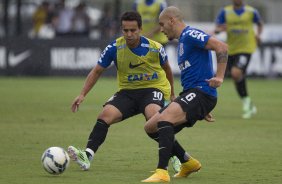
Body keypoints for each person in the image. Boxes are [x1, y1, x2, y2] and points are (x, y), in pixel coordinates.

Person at [68, 11, 177, 171]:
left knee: (154, 117)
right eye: (125, 30)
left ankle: (176, 156)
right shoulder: (114, 47)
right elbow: (97, 71)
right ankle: (87, 156)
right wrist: (82, 94)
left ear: (140, 29)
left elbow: (167, 69)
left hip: (153, 88)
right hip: (128, 91)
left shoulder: (155, 48)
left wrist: (172, 94)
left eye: (133, 30)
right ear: (121, 29)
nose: (129, 34)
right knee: (105, 115)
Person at [142, 6, 228, 182]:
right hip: (194, 95)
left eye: (162, 24)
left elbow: (222, 46)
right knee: (151, 127)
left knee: (165, 119)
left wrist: (219, 77)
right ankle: (188, 162)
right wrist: (199, 107)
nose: (161, 29)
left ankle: (162, 172)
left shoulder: (190, 34)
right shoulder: (182, 41)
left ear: (172, 20)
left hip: (201, 92)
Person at [214, 0, 263, 119]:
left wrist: (258, 35)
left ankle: (247, 104)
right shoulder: (225, 12)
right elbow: (218, 27)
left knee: (236, 73)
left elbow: (259, 23)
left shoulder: (252, 12)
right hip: (231, 49)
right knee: (237, 77)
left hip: (246, 48)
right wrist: (220, 29)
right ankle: (248, 103)